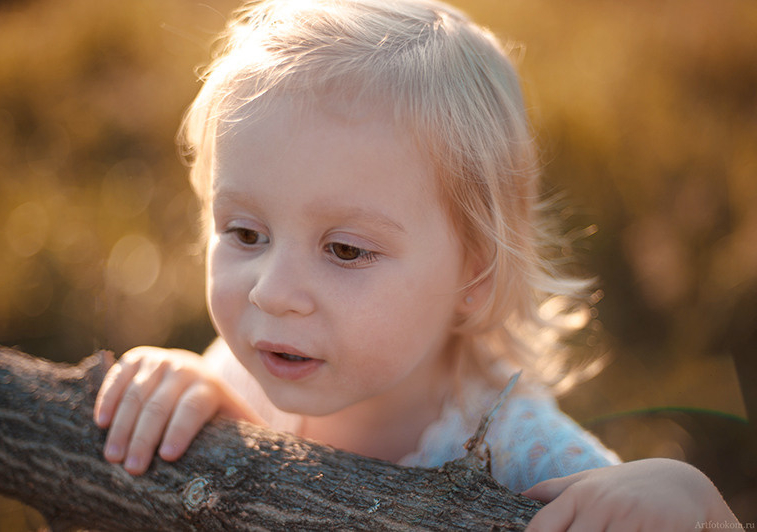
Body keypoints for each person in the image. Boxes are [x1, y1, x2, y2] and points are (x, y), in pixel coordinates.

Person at [93, 0, 740, 528]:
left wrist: (682, 493)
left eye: (345, 250)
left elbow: (622, 505)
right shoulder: (249, 367)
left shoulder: (519, 452)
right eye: (244, 232)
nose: (273, 291)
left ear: (474, 276)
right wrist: (181, 388)